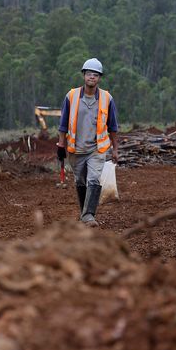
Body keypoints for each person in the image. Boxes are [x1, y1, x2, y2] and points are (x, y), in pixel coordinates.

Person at [56, 58, 119, 227]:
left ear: (99, 78)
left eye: (96, 75)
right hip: (76, 150)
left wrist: (115, 149)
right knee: (80, 182)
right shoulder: (71, 96)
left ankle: (89, 215)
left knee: (93, 180)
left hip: (97, 149)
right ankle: (84, 212)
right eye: (89, 74)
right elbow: (63, 124)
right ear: (84, 75)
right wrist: (61, 145)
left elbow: (113, 126)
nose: (92, 77)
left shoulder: (107, 98)